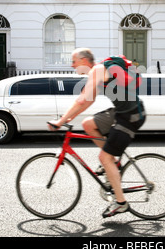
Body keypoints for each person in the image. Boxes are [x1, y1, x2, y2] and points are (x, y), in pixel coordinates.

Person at [47, 48, 146, 218]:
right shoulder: (98, 72)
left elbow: (82, 99)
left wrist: (61, 121)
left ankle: (121, 203)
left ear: (84, 60)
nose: (72, 65)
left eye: (74, 61)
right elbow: (88, 100)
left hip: (131, 116)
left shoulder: (98, 70)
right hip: (121, 112)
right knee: (88, 124)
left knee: (104, 157)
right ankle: (114, 163)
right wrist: (69, 118)